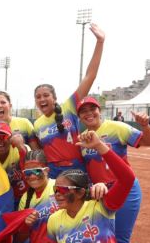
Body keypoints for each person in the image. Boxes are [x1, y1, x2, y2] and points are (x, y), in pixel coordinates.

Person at [76, 97, 150, 243]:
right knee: (103, 240)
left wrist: (145, 126)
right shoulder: (81, 139)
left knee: (121, 242)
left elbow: (148, 142)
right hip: (100, 193)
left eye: (92, 109)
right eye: (83, 111)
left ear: (100, 111)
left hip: (124, 189)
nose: (89, 113)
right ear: (79, 117)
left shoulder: (117, 127)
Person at [33, 24, 105, 179]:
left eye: (46, 95)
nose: (42, 99)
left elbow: (90, 76)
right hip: (52, 172)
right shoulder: (37, 124)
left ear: (54, 98)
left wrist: (100, 42)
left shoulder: (69, 107)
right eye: (38, 97)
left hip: (77, 168)